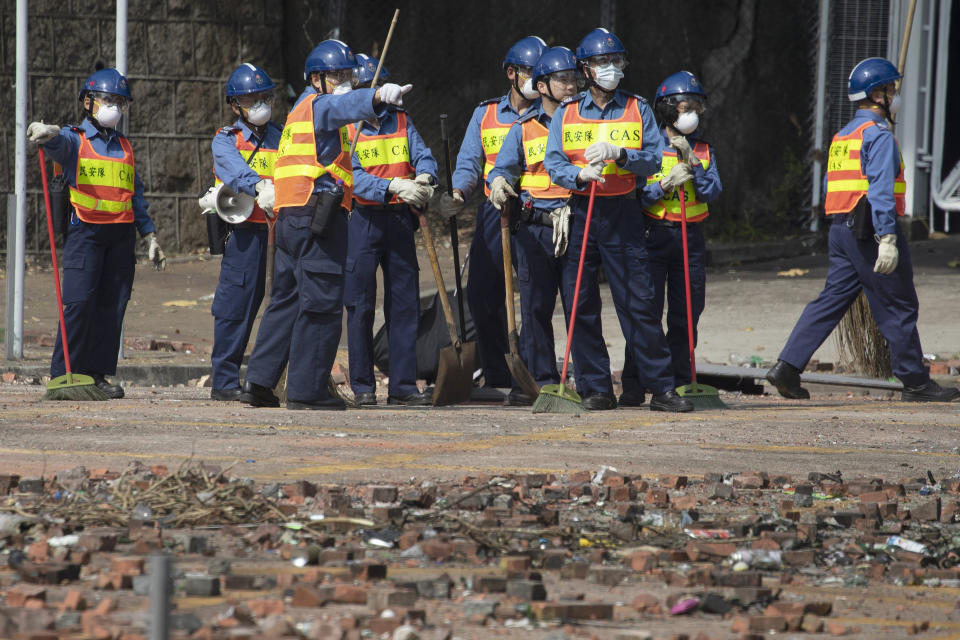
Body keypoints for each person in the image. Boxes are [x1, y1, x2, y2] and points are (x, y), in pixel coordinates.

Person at [767, 57, 960, 403]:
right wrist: (886, 237)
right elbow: (881, 192)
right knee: (899, 303)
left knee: (830, 301)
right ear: (877, 94)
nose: (895, 95)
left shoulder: (844, 136)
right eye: (891, 89)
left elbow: (833, 185)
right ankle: (916, 382)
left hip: (841, 230)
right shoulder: (879, 137)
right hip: (870, 230)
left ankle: (787, 366)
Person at [238, 39, 413, 410]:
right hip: (318, 219)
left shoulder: (301, 111)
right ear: (316, 79)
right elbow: (343, 104)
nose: (344, 81)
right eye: (336, 75)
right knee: (321, 302)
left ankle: (258, 383)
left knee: (286, 301)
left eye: (349, 74)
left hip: (291, 219)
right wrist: (376, 96)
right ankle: (306, 391)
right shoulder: (319, 105)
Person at [543, 28, 693, 412]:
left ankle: (660, 388)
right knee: (580, 301)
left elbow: (655, 158)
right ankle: (596, 388)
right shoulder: (567, 111)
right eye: (602, 62)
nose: (611, 68)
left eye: (616, 61)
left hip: (623, 211)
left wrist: (620, 155)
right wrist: (577, 175)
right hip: (582, 211)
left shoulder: (637, 107)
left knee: (639, 303)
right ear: (586, 70)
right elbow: (554, 161)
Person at [27, 68, 166, 400]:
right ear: (88, 102)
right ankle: (64, 375)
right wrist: (49, 133)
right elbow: (58, 145)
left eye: (120, 102)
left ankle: (96, 375)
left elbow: (136, 194)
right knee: (78, 302)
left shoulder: (125, 147)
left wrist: (150, 235)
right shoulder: (76, 138)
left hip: (120, 238)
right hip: (86, 232)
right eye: (108, 100)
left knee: (112, 306)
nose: (114, 107)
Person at [441, 35, 548, 392]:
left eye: (542, 71)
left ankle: (533, 374)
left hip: (535, 211)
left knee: (534, 298)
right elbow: (470, 161)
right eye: (530, 71)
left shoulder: (554, 115)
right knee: (482, 295)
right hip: (494, 210)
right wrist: (458, 191)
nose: (537, 78)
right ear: (511, 74)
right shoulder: (485, 114)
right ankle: (498, 372)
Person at [619, 71, 722, 406]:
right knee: (646, 311)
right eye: (683, 105)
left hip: (690, 239)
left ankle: (679, 382)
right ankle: (634, 383)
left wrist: (693, 161)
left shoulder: (703, 149)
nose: (691, 112)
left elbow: (711, 192)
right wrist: (663, 185)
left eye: (696, 105)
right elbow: (636, 195)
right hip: (653, 237)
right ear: (666, 109)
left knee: (687, 312)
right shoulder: (649, 150)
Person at [486, 46, 578, 406]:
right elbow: (503, 168)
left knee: (579, 307)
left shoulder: (585, 125)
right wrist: (498, 182)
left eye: (574, 79)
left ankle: (589, 383)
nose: (571, 87)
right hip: (536, 227)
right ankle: (539, 382)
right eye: (563, 80)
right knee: (536, 307)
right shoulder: (523, 129)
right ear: (542, 87)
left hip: (575, 223)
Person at [343, 54, 437, 406]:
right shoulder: (348, 126)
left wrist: (426, 175)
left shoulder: (400, 120)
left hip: (399, 221)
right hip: (363, 221)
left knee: (404, 303)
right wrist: (393, 186)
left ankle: (402, 387)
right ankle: (363, 386)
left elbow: (423, 153)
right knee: (360, 306)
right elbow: (350, 176)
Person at [207, 63, 282, 401]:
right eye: (252, 99)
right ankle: (224, 382)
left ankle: (266, 379)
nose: (260, 104)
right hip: (245, 235)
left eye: (265, 97)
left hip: (281, 231)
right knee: (236, 305)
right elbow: (233, 170)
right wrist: (260, 186)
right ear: (235, 106)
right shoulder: (226, 140)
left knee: (283, 305)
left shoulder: (284, 137)